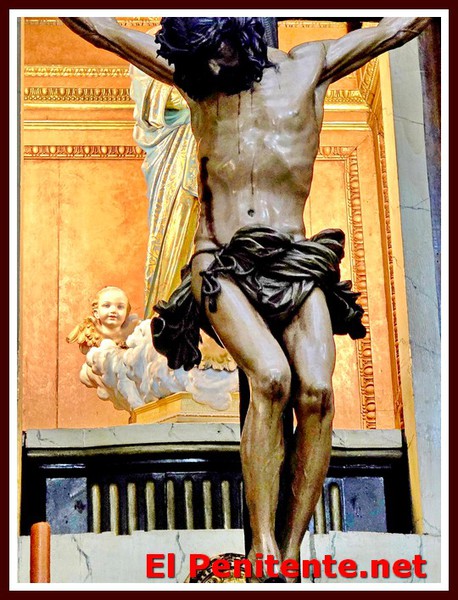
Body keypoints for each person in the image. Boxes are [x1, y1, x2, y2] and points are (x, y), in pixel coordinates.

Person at [61, 16, 432, 582]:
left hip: (294, 257)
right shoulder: (198, 79)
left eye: (219, 52)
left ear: (245, 36)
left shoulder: (310, 66)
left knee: (318, 392)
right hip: (220, 262)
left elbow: (399, 28)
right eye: (202, 59)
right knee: (272, 377)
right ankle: (261, 547)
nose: (211, 66)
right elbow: (103, 31)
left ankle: (288, 553)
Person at [67, 286, 140, 354]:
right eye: (107, 306)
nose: (113, 310)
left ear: (126, 314)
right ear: (96, 313)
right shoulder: (94, 331)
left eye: (120, 307)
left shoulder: (133, 331)